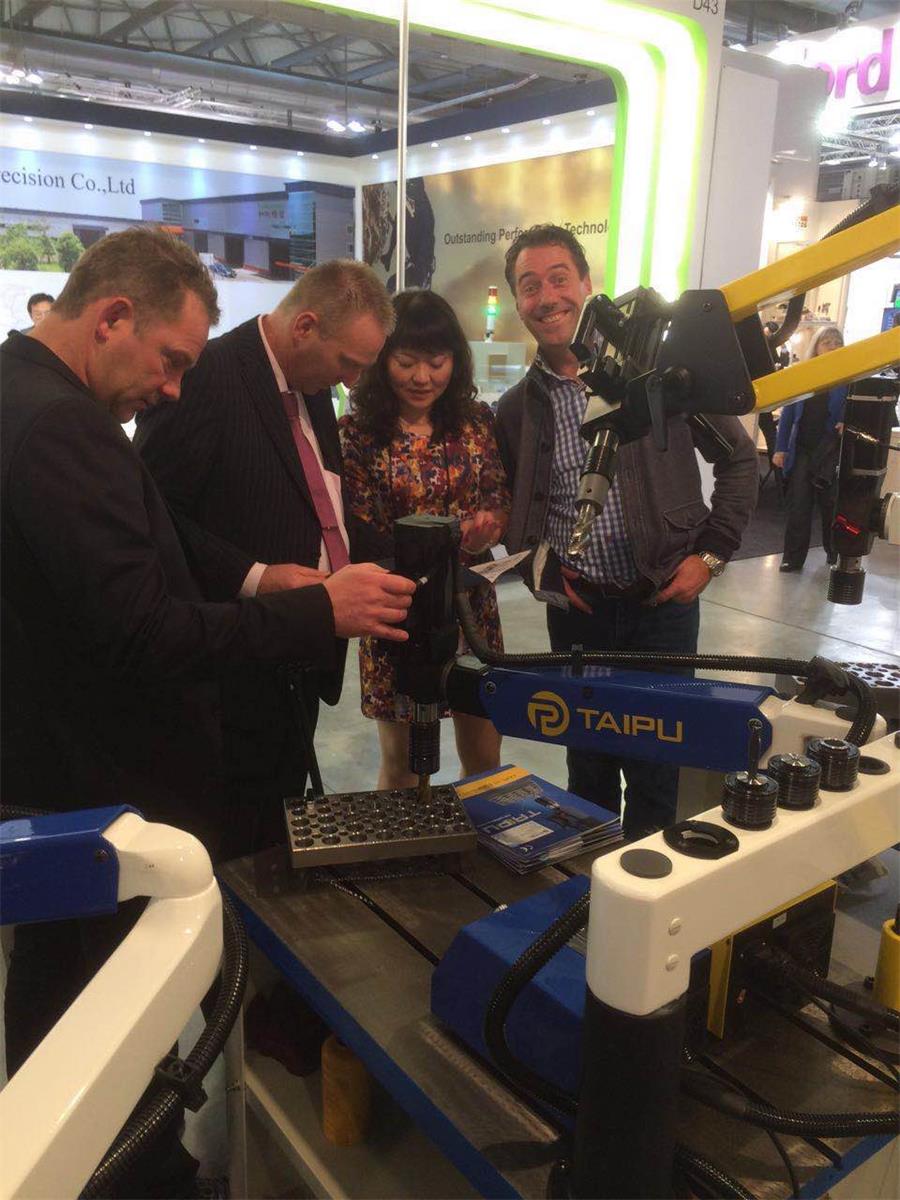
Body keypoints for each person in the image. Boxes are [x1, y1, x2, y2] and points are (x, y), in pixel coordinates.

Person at [1, 227, 415, 1194]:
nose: (174, 388)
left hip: (54, 771)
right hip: (89, 784)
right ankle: (129, 1173)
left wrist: (264, 577)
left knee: (69, 1002)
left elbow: (146, 540)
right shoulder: (59, 428)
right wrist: (312, 611)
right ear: (112, 318)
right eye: (169, 360)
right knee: (96, 1014)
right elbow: (145, 631)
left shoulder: (30, 395)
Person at [495, 224, 758, 840]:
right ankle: (590, 882)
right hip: (578, 613)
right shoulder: (517, 409)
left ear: (587, 284)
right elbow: (510, 509)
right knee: (585, 763)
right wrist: (540, 574)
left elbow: (740, 459)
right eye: (529, 286)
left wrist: (711, 555)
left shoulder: (659, 378)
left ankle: (644, 883)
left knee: (657, 768)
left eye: (559, 278)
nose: (547, 297)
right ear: (517, 302)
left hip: (662, 606)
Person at [134, 259, 397, 856]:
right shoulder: (206, 374)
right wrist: (254, 577)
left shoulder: (311, 384)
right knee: (234, 840)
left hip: (298, 655)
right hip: (232, 667)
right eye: (348, 363)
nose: (353, 381)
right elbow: (153, 511)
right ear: (305, 327)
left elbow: (319, 500)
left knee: (277, 821)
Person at [339, 289, 510, 788]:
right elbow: (358, 528)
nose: (422, 377)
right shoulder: (357, 434)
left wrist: (487, 527)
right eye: (406, 362)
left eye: (436, 363)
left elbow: (496, 494)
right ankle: (404, 839)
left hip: (471, 609)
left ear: (455, 361)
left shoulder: (475, 422)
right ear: (381, 360)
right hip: (396, 612)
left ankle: (480, 834)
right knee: (404, 764)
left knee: (485, 756)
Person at [773, 325, 846, 572]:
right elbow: (788, 415)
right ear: (816, 346)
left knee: (831, 506)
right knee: (799, 506)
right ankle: (792, 558)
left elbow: (854, 409)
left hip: (830, 451)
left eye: (837, 342)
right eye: (827, 342)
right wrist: (780, 448)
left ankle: (834, 554)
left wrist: (846, 421)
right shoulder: (803, 374)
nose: (833, 346)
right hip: (803, 449)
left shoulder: (849, 376)